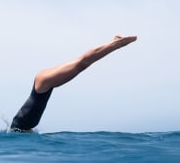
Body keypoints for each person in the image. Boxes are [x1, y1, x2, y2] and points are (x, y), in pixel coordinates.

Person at [9, 35, 137, 132]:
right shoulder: (21, 128)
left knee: (81, 64)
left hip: (42, 85)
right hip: (42, 85)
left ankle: (116, 43)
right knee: (80, 63)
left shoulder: (18, 130)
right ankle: (114, 43)